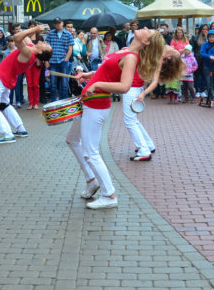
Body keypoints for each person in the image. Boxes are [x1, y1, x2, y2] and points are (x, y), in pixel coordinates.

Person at [68, 29, 183, 209]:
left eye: (148, 31)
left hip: (96, 103)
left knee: (91, 152)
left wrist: (97, 84)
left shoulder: (131, 57)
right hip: (89, 100)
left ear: (146, 42)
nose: (145, 28)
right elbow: (109, 71)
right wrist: (90, 75)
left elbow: (124, 86)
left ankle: (109, 195)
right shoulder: (124, 51)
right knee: (72, 140)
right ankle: (91, 180)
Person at [0, 24, 53, 143]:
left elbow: (17, 38)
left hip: (0, 78)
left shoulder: (29, 54)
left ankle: (8, 134)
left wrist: (35, 30)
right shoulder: (31, 47)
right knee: (3, 104)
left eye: (46, 45)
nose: (45, 42)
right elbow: (22, 36)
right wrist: (35, 28)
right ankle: (21, 129)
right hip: (6, 79)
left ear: (41, 51)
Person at [45, 17, 74, 101]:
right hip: (53, 61)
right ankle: (53, 101)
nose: (58, 24)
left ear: (62, 23)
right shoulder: (50, 33)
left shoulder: (68, 34)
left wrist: (66, 60)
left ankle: (63, 101)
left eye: (59, 23)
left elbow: (70, 49)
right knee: (53, 83)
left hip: (63, 61)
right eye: (56, 23)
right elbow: (47, 48)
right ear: (54, 25)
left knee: (64, 83)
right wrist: (46, 60)